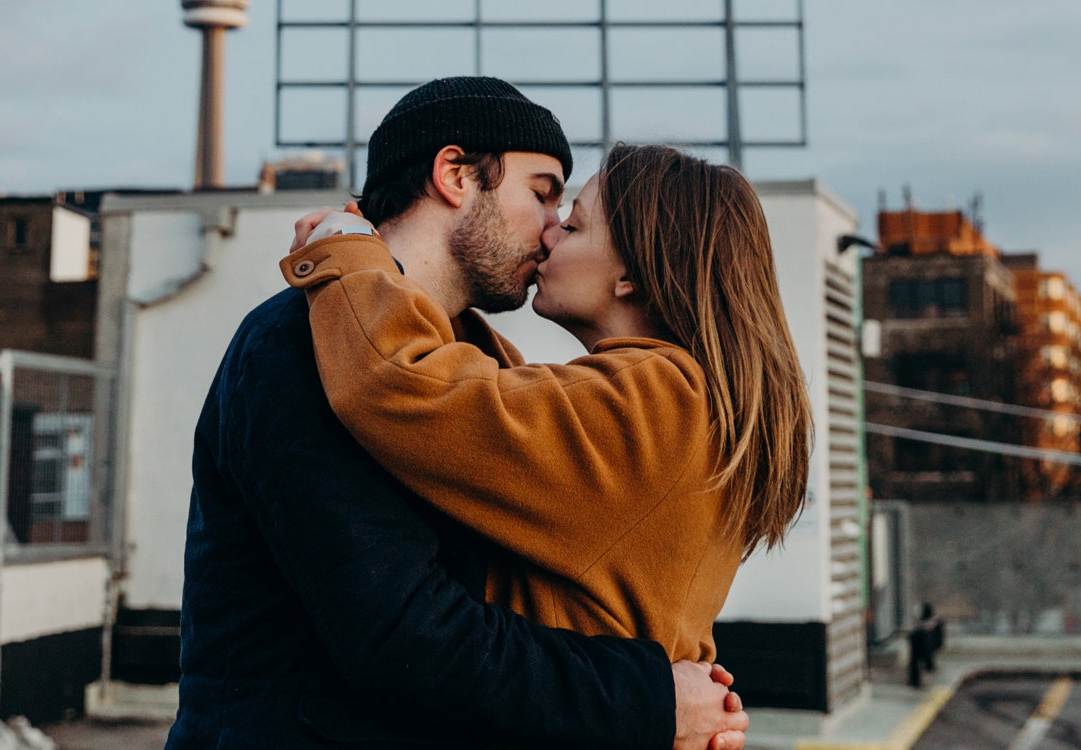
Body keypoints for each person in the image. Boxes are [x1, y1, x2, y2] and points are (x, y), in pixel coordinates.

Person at [168, 76, 749, 750]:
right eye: (541, 193)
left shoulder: (471, 368)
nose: (553, 227)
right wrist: (650, 698)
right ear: (453, 175)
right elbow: (404, 637)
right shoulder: (302, 343)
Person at [282, 135, 813, 676]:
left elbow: (401, 386)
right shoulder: (683, 400)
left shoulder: (655, 400)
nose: (549, 232)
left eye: (575, 225)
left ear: (629, 275)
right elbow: (501, 393)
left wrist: (347, 253)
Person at [905, 603, 945, 689]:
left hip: (919, 644)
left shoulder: (923, 624)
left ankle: (915, 680)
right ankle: (925, 670)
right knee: (922, 661)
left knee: (915, 662)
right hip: (927, 645)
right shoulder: (935, 623)